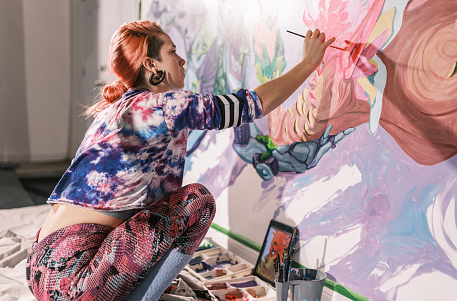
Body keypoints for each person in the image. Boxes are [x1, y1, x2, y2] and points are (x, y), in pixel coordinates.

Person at [25, 20, 335, 301]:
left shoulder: (116, 110)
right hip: (74, 283)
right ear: (151, 65)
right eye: (173, 52)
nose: (182, 60)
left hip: (40, 266)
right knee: (197, 200)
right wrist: (309, 62)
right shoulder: (164, 105)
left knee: (164, 213)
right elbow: (248, 106)